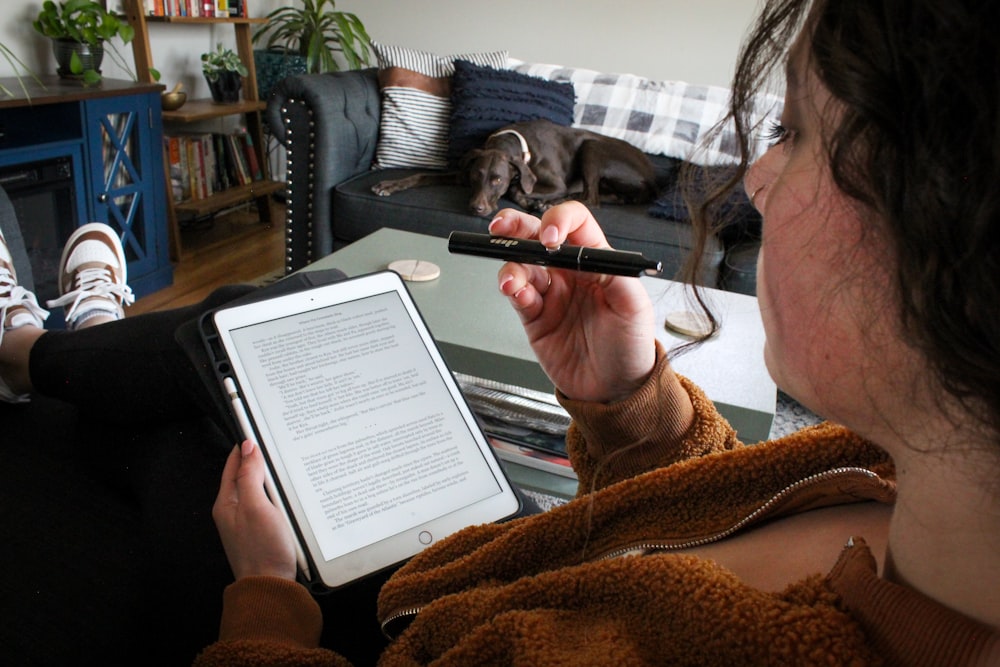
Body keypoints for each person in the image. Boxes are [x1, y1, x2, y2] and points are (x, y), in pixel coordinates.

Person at [201, 0, 1000, 664]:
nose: (756, 175)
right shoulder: (883, 475)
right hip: (446, 587)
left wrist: (267, 601)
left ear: (949, 227)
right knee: (220, 316)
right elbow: (696, 526)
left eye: (792, 131)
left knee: (177, 379)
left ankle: (95, 310)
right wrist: (631, 401)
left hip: (359, 623)